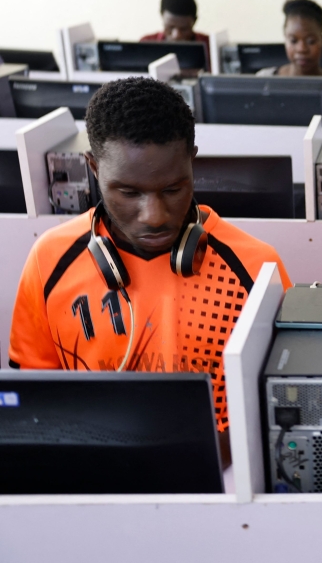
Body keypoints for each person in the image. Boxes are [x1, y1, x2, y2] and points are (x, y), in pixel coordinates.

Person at [9, 77, 293, 459]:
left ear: (192, 161)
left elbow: (290, 407)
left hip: (225, 485)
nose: (154, 216)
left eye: (173, 190)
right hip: (92, 481)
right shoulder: (50, 261)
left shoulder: (256, 267)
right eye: (128, 193)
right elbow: (32, 405)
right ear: (94, 168)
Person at [256, 0, 322, 77]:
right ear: (285, 38)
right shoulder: (264, 79)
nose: (301, 49)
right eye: (293, 41)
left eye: (310, 41)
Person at [141, 0, 211, 71]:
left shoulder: (209, 46)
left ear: (194, 21)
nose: (176, 35)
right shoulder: (147, 43)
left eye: (184, 29)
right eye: (170, 27)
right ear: (162, 16)